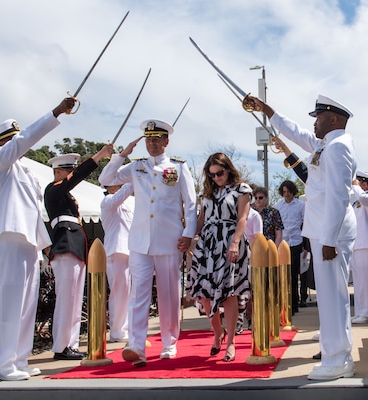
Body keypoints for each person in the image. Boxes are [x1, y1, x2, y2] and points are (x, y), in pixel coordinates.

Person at [243, 93, 357, 380]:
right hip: (322, 232)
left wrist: (329, 238)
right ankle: (335, 355)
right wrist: (268, 110)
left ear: (333, 119)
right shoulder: (325, 145)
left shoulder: (338, 147)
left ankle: (338, 359)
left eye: (318, 117)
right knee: (329, 298)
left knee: (333, 298)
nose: (315, 123)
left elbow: (339, 196)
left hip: (331, 234)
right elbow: (295, 132)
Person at [0, 96, 76, 381]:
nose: (17, 146)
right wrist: (56, 113)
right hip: (7, 237)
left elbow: (35, 211)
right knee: (9, 302)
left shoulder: (26, 172)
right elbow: (24, 140)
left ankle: (19, 360)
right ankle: (1, 363)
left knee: (26, 304)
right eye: (10, 141)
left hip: (28, 241)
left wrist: (42, 246)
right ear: (2, 143)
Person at [99, 119, 197, 367]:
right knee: (138, 294)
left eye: (156, 139)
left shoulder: (177, 167)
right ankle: (136, 345)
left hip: (169, 240)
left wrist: (188, 233)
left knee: (168, 295)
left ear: (166, 141)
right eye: (148, 139)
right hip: (140, 241)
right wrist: (122, 155)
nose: (152, 143)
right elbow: (105, 179)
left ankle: (169, 342)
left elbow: (191, 203)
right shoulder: (135, 167)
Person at [44, 147, 113, 360]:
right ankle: (62, 346)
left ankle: (69, 344)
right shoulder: (52, 189)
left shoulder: (64, 194)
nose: (71, 174)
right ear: (58, 172)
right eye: (68, 171)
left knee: (74, 300)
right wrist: (99, 157)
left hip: (74, 248)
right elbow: (74, 179)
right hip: (65, 247)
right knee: (67, 299)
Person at [187, 152, 252, 362]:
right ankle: (217, 331)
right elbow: (201, 219)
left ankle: (231, 341)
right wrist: (188, 238)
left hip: (230, 242)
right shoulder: (206, 192)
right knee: (204, 292)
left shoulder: (241, 189)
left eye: (220, 173)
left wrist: (235, 242)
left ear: (228, 169)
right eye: (212, 174)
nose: (216, 177)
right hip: (207, 244)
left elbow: (243, 218)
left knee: (230, 293)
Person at [100, 183, 135, 343]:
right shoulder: (108, 200)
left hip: (130, 250)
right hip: (117, 250)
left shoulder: (129, 202)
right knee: (119, 292)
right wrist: (135, 178)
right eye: (118, 184)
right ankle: (117, 330)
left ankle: (126, 328)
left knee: (129, 292)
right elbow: (121, 195)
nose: (121, 186)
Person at [350, 171, 368, 324]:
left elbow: (364, 198)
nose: (355, 183)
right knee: (358, 281)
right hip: (357, 243)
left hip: (366, 243)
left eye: (358, 181)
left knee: (366, 281)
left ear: (365, 183)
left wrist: (356, 188)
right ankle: (360, 311)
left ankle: (367, 313)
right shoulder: (356, 201)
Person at [275, 180, 306, 312]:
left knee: (294, 274)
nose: (286, 194)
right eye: (284, 192)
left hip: (297, 241)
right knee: (284, 274)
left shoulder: (301, 205)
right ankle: (286, 303)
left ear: (293, 191)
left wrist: (305, 246)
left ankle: (295, 303)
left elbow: (305, 224)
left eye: (288, 192)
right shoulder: (278, 205)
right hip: (283, 243)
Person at [236, 200, 263, 335]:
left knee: (250, 291)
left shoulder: (254, 216)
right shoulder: (234, 214)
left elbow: (258, 238)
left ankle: (251, 318)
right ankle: (238, 322)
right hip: (236, 257)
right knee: (237, 291)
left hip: (251, 257)